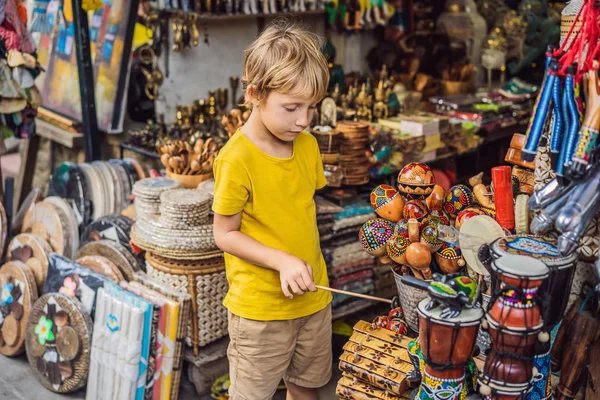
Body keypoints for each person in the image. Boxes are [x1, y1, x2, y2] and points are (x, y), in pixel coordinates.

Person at [212, 19, 333, 400]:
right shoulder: (236, 159)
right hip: (260, 311)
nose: (303, 120)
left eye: (311, 108)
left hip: (313, 297)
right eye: (292, 107)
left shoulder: (307, 146)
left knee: (308, 388)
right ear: (254, 94)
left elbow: (296, 211)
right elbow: (224, 234)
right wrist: (281, 261)